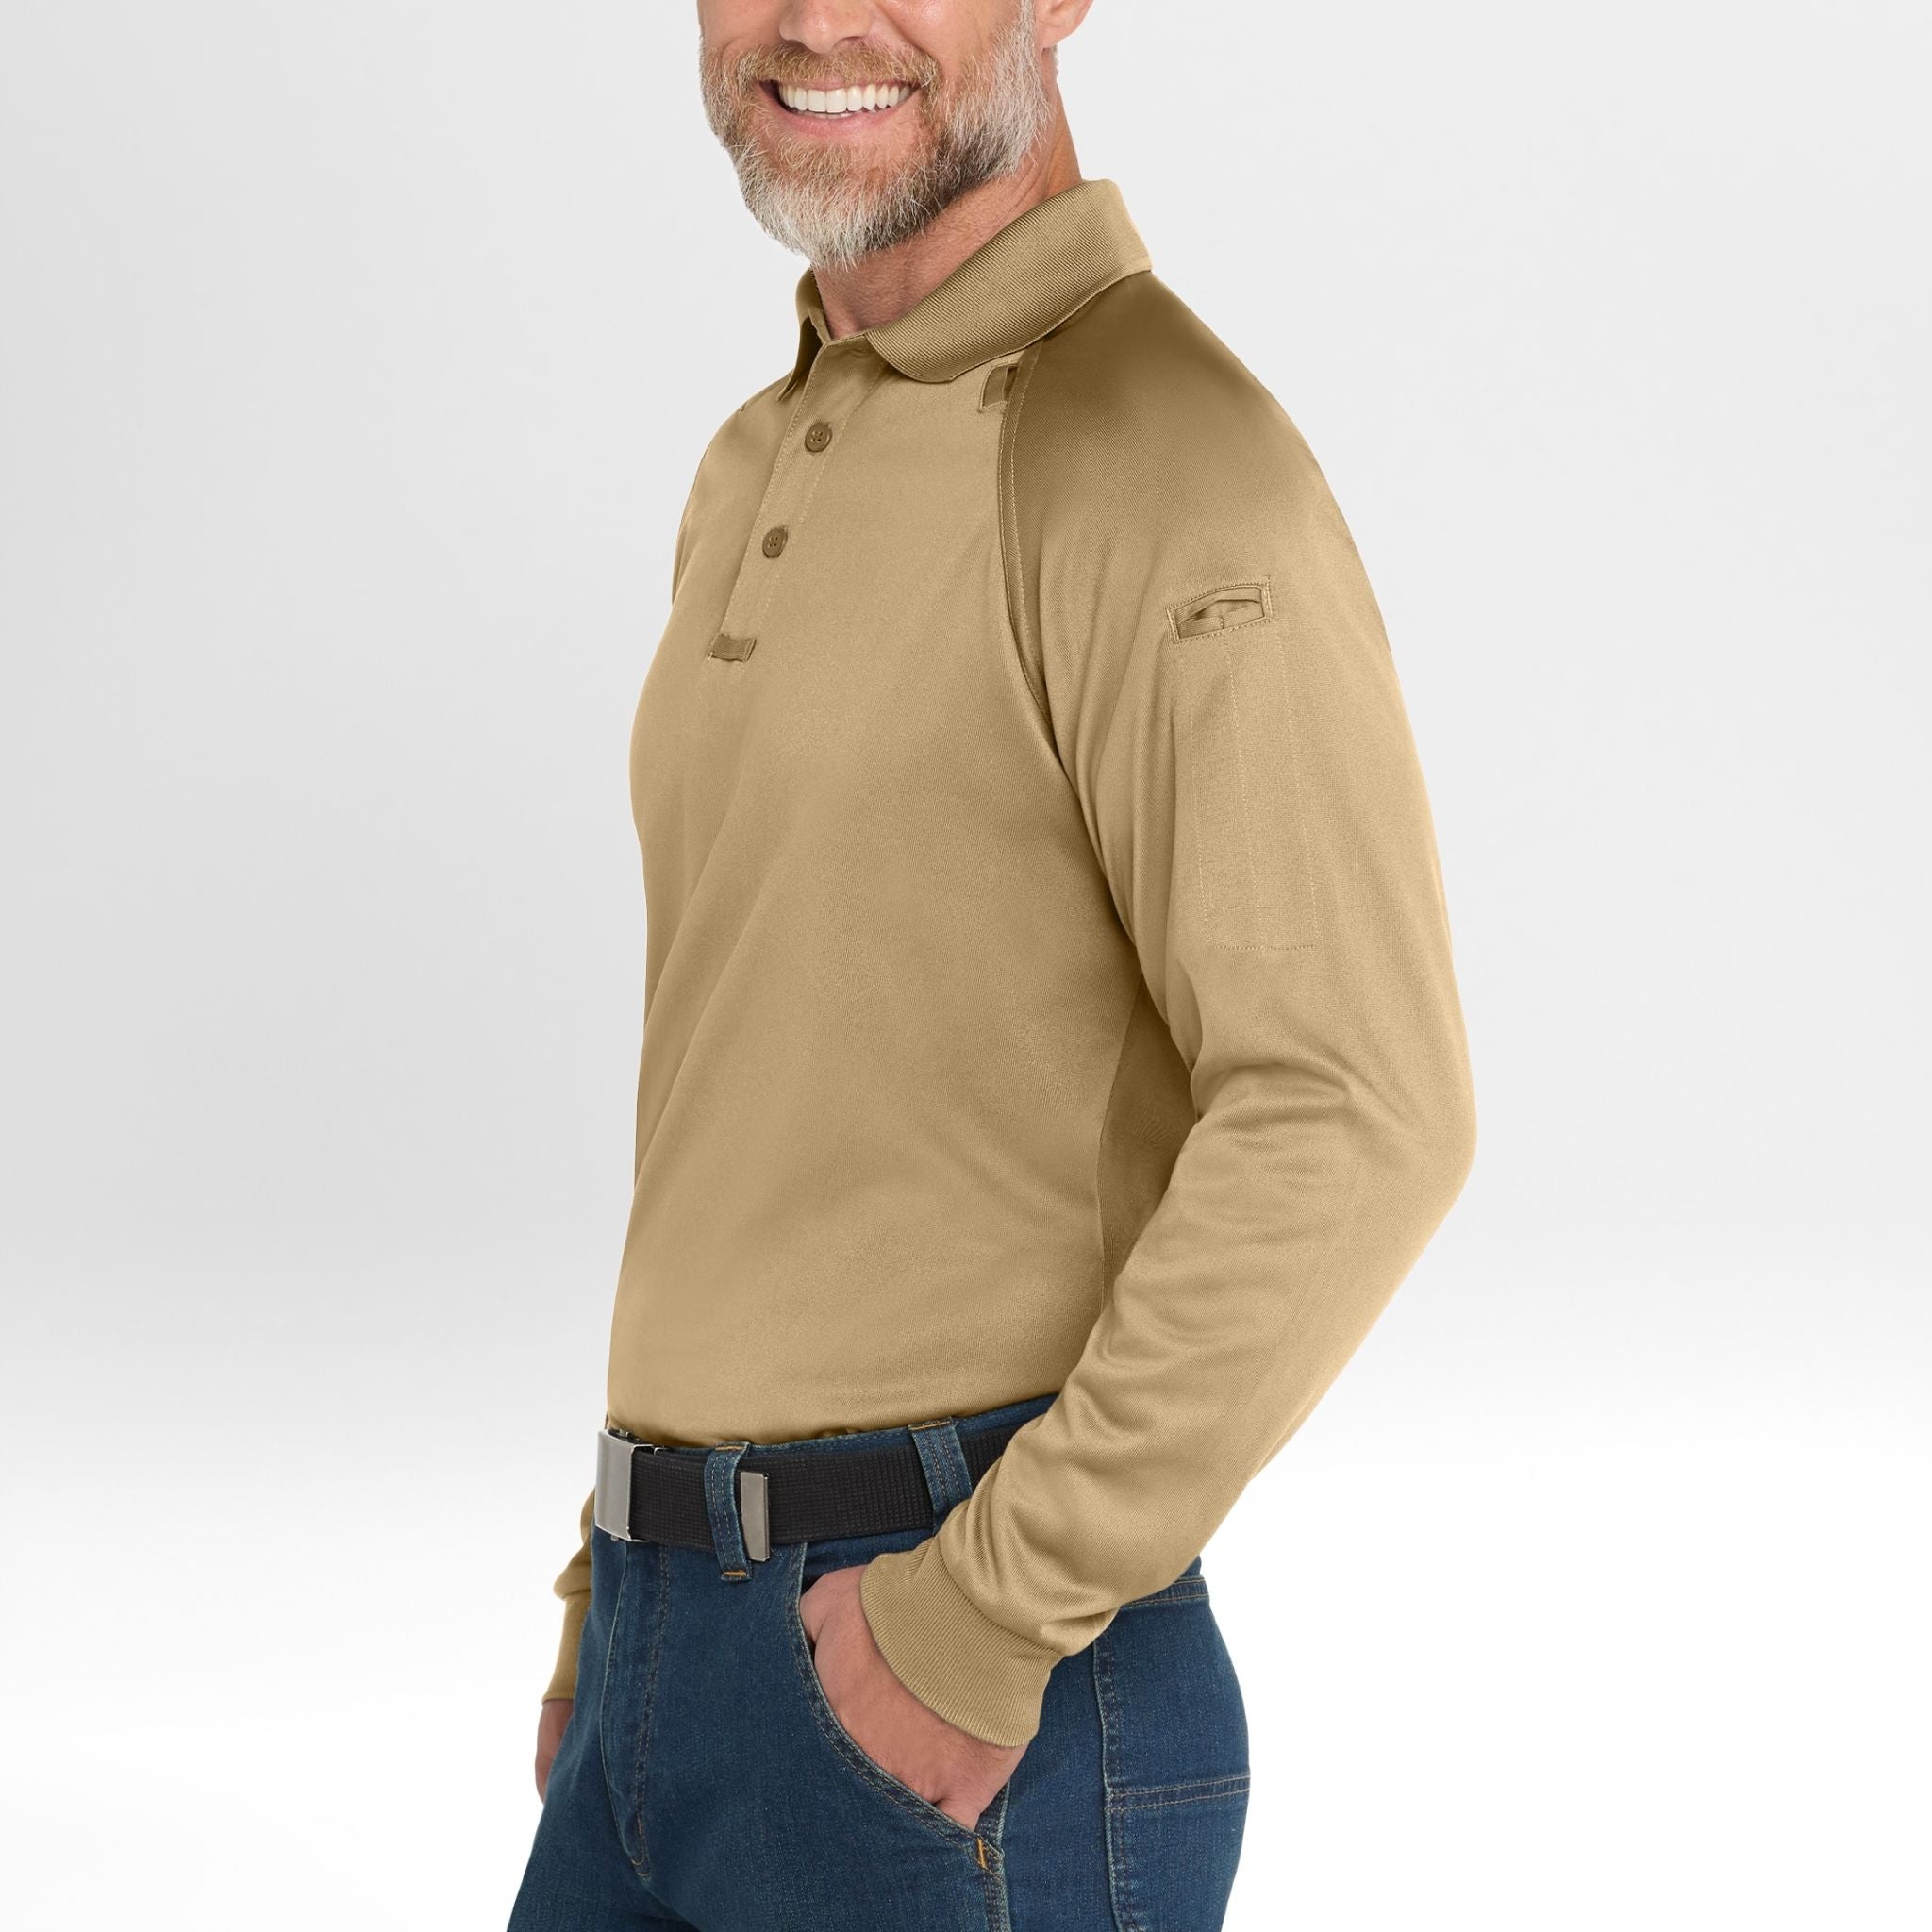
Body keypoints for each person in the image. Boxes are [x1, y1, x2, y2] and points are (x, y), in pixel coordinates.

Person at [507, 2, 1477, 1925]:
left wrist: (976, 1614)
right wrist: (609, 1586)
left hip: (965, 1696)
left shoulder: (1160, 458)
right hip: (662, 1648)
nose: (812, 19)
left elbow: (1357, 1108)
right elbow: (767, 1073)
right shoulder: (750, 461)